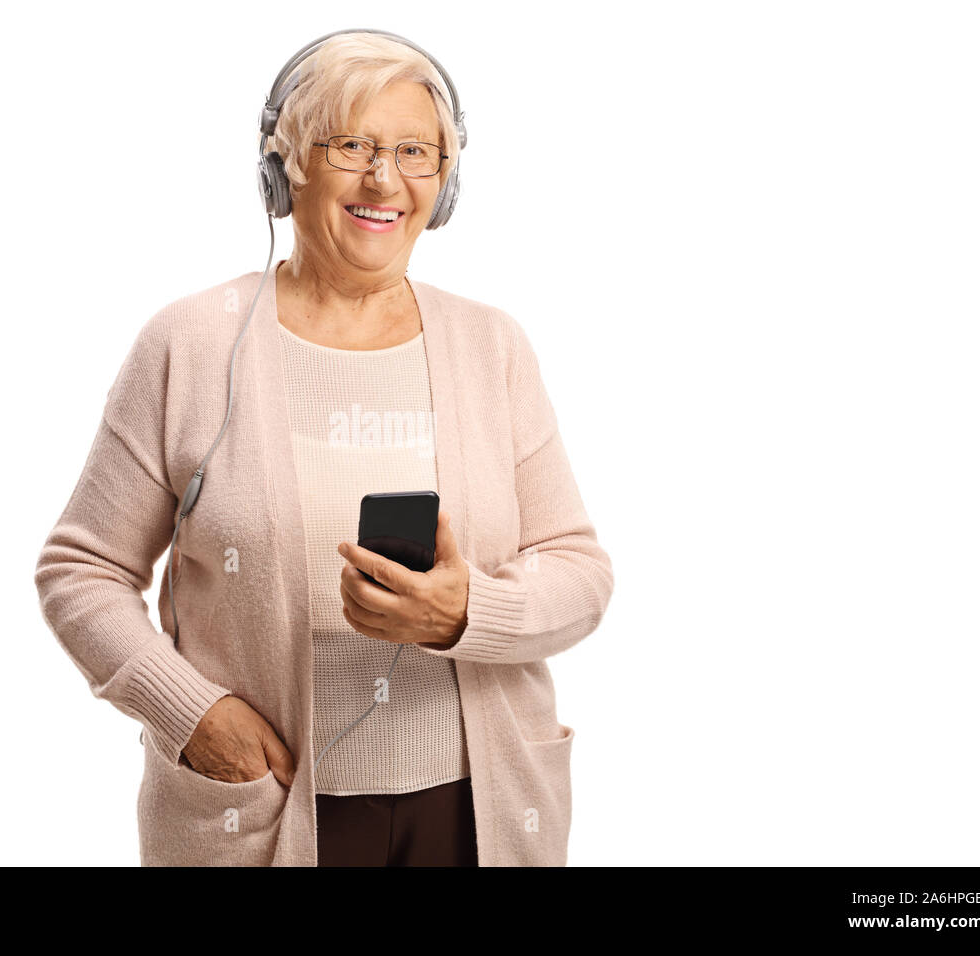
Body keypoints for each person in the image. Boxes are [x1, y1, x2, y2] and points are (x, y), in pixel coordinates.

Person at [34, 30, 615, 867]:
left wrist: (466, 613)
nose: (386, 180)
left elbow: (581, 571)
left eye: (416, 151)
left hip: (473, 813)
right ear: (286, 168)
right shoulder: (192, 345)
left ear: (446, 182)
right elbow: (81, 570)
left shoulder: (492, 346)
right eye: (352, 145)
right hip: (263, 810)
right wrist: (191, 713)